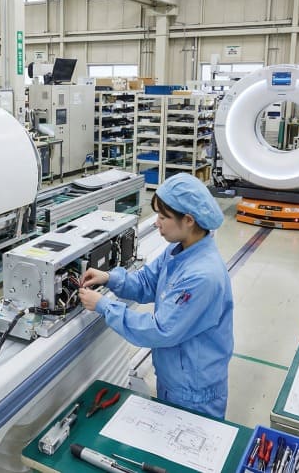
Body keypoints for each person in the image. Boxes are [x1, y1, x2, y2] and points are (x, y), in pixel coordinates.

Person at [78, 173, 233, 419]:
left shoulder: (202, 275)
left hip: (194, 392)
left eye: (163, 217)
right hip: (173, 377)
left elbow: (160, 330)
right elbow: (146, 282)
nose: (156, 223)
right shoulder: (177, 251)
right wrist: (109, 278)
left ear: (189, 220)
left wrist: (104, 306)